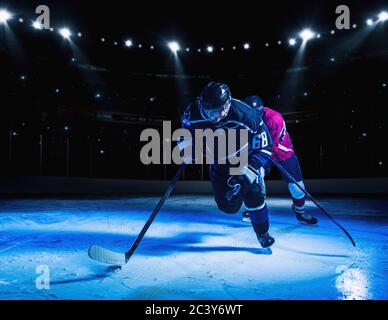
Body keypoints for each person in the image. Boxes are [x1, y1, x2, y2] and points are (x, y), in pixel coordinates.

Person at [180, 82, 275, 248]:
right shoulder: (192, 112)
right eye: (209, 111)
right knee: (228, 207)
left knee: (254, 196)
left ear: (228, 104)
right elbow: (184, 133)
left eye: (218, 111)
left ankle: (262, 233)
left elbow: (265, 146)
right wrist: (187, 148)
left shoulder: (248, 115)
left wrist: (250, 170)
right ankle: (237, 198)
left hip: (243, 161)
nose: (214, 117)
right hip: (219, 163)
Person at [242, 95, 318, 225]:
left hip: (281, 152)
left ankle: (300, 212)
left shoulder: (274, 119)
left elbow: (272, 145)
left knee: (297, 187)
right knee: (254, 176)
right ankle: (255, 208)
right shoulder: (242, 118)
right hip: (259, 151)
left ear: (261, 111)